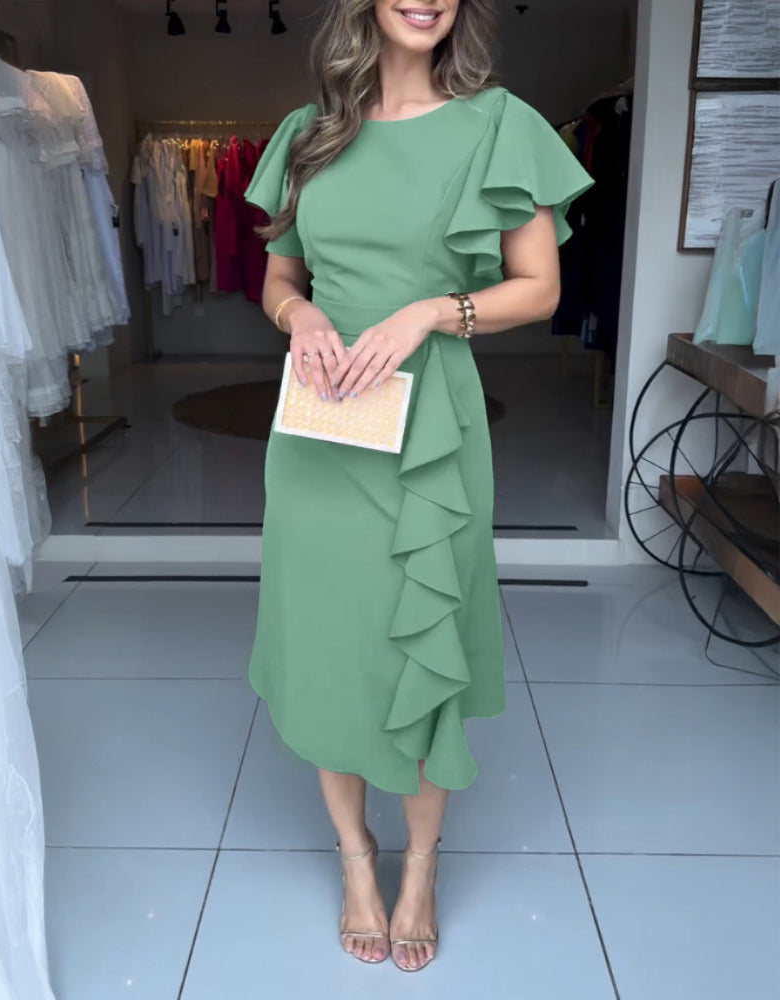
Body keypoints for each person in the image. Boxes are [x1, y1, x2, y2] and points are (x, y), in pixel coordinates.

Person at [243, 0, 593, 973]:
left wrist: (433, 312)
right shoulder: (307, 132)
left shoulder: (498, 123)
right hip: (322, 426)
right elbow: (277, 280)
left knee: (420, 638)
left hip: (428, 426)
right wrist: (302, 316)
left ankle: (421, 867)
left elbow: (540, 287)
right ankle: (356, 858)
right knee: (329, 641)